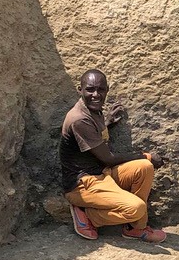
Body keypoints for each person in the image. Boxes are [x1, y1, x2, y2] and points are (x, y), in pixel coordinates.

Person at [59, 69, 166, 243]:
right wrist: (145, 155)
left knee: (144, 168)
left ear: (107, 90)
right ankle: (88, 216)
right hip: (82, 185)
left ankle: (135, 228)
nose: (96, 94)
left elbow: (95, 138)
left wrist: (106, 123)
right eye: (90, 90)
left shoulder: (94, 112)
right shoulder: (79, 119)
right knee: (137, 207)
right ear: (80, 90)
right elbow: (107, 158)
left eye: (100, 90)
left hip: (102, 175)